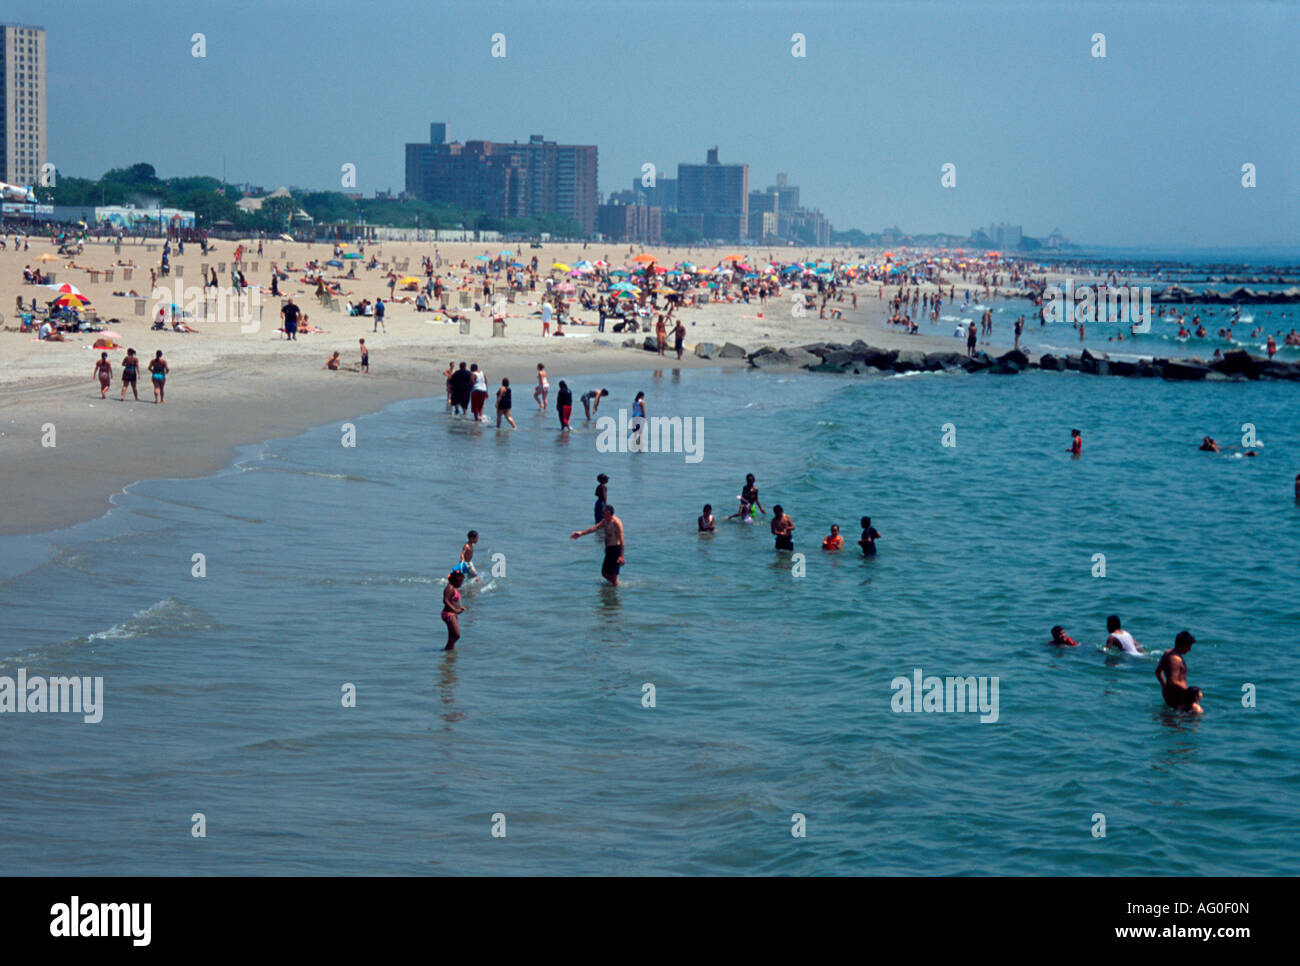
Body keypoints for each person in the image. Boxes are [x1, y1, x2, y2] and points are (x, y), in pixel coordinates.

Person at [570, 504, 625, 586]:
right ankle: (615, 585)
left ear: (609, 513)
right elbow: (595, 528)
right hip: (608, 549)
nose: (602, 514)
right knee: (604, 573)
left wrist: (621, 555)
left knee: (613, 575)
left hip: (615, 550)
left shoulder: (616, 523)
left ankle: (615, 590)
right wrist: (581, 533)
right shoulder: (605, 521)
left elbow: (622, 540)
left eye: (603, 513)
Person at [1155, 631, 1203, 713]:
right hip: (1178, 697)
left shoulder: (1168, 653)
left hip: (1170, 695)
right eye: (1189, 646)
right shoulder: (1176, 659)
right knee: (1196, 713)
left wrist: (1164, 686)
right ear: (1182, 645)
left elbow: (1157, 672)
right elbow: (1174, 682)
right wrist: (1191, 693)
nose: (1190, 649)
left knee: (1173, 719)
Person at [441, 571, 467, 651]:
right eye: (461, 581)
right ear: (457, 580)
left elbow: (454, 601)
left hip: (452, 613)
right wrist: (455, 610)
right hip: (448, 614)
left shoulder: (454, 588)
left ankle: (449, 653)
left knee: (452, 636)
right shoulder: (450, 588)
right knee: (456, 635)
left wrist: (459, 609)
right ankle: (447, 650)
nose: (461, 583)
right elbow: (445, 600)